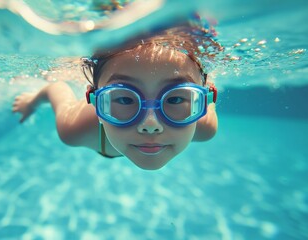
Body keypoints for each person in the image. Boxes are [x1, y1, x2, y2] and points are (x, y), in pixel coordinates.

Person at [12, 17, 221, 170]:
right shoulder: (76, 128)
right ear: (93, 101)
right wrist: (32, 102)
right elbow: (55, 87)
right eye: (124, 98)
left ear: (203, 99)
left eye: (175, 98)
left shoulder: (204, 125)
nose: (150, 125)